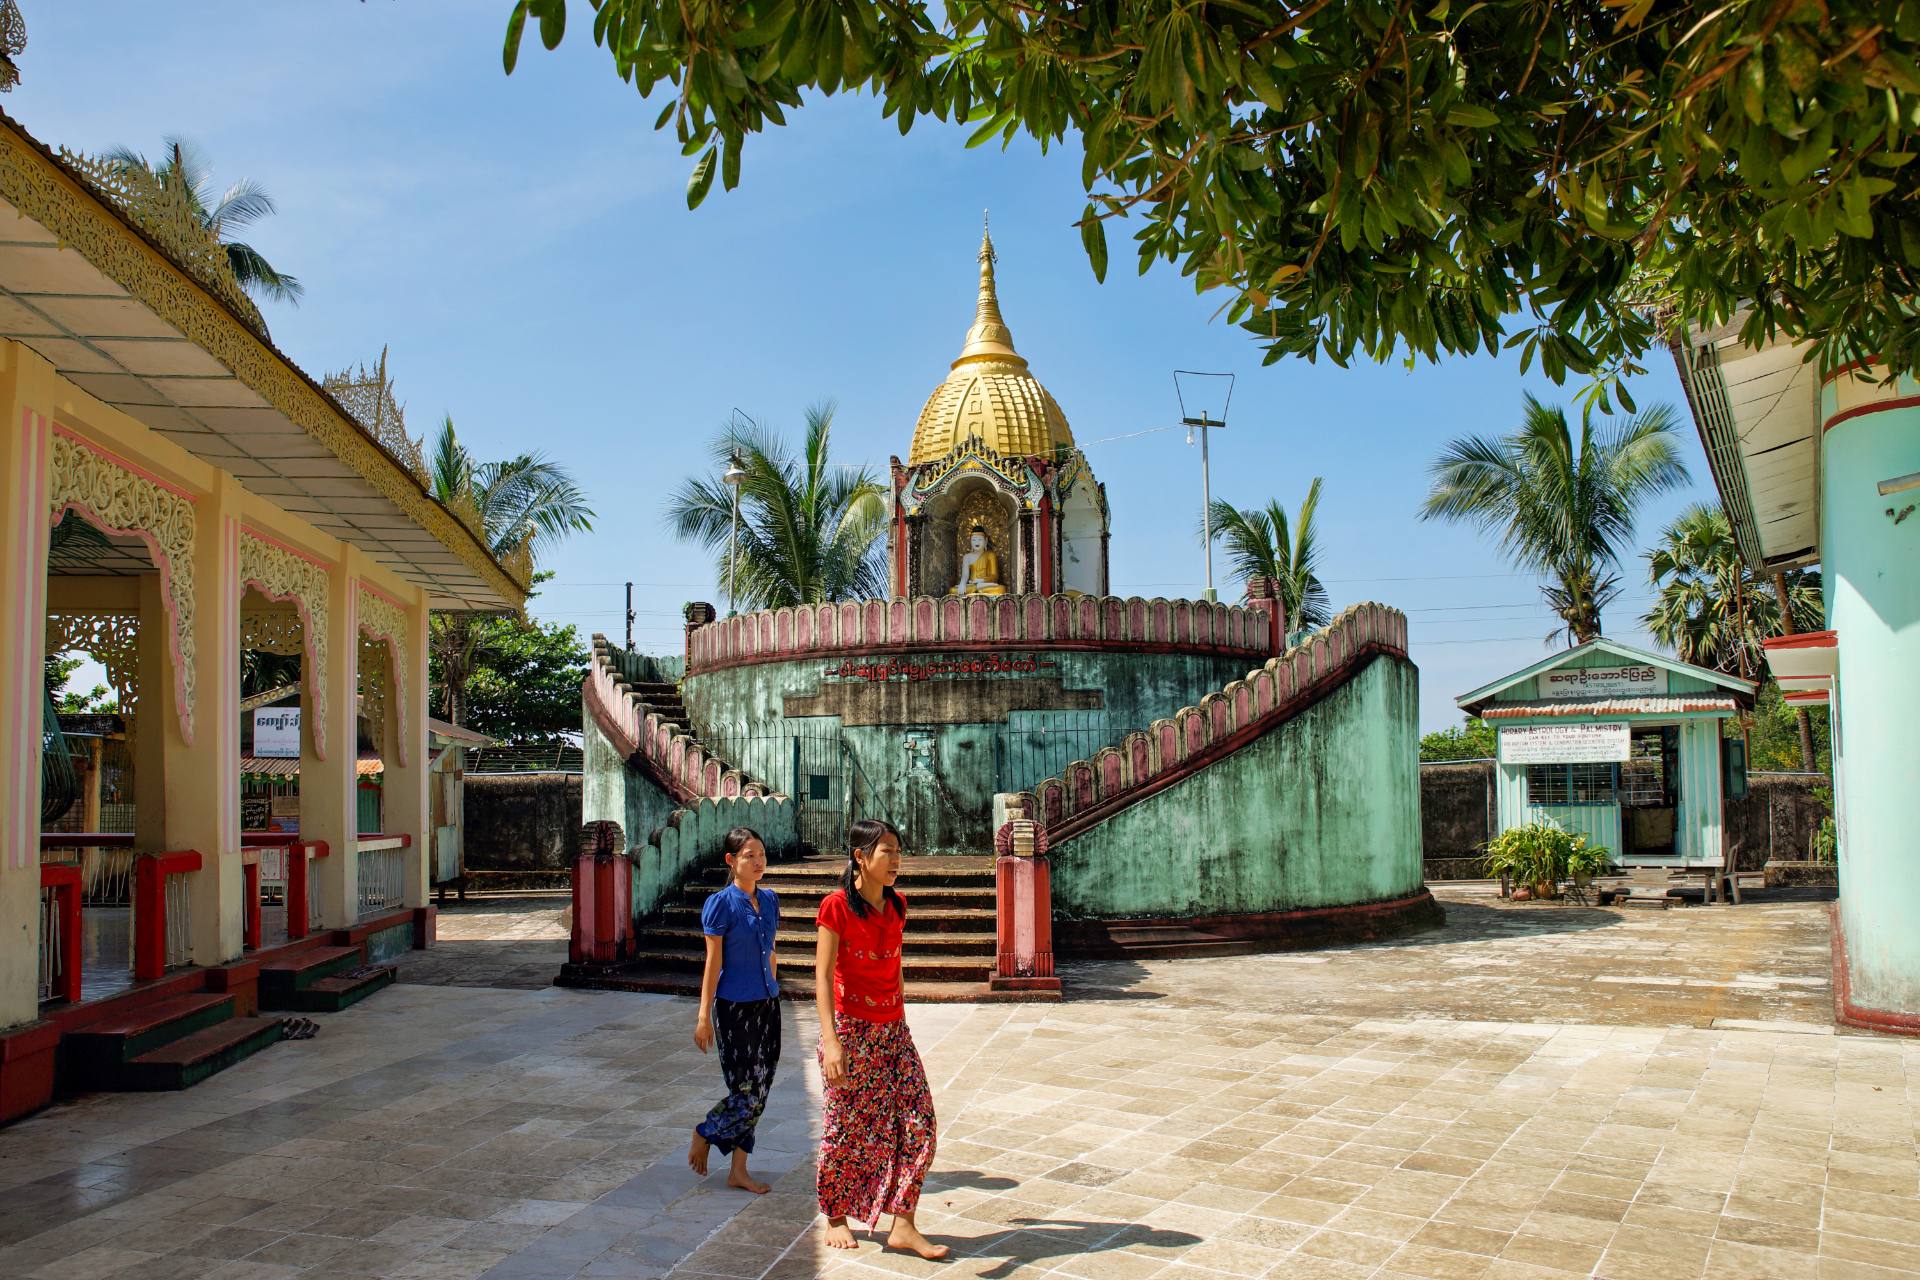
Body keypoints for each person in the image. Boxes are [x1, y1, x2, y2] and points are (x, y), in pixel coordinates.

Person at [814, 819, 948, 1259]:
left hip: (893, 1032)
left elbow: (896, 967)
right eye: (886, 851)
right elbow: (821, 978)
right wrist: (831, 1042)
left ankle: (903, 1224)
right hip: (851, 1033)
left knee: (919, 1125)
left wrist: (902, 1020)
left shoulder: (897, 906)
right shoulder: (836, 907)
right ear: (860, 857)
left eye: (897, 851)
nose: (895, 860)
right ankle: (835, 1215)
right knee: (847, 1127)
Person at [689, 826, 781, 1194]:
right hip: (733, 1009)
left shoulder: (770, 899)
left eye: (761, 854)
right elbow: (713, 963)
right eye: (749, 856)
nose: (758, 861)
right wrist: (703, 1016)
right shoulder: (721, 904)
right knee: (745, 1089)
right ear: (731, 861)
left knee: (761, 1087)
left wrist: (772, 986)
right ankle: (705, 1132)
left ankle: (738, 1170)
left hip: (767, 1004)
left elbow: (770, 950)